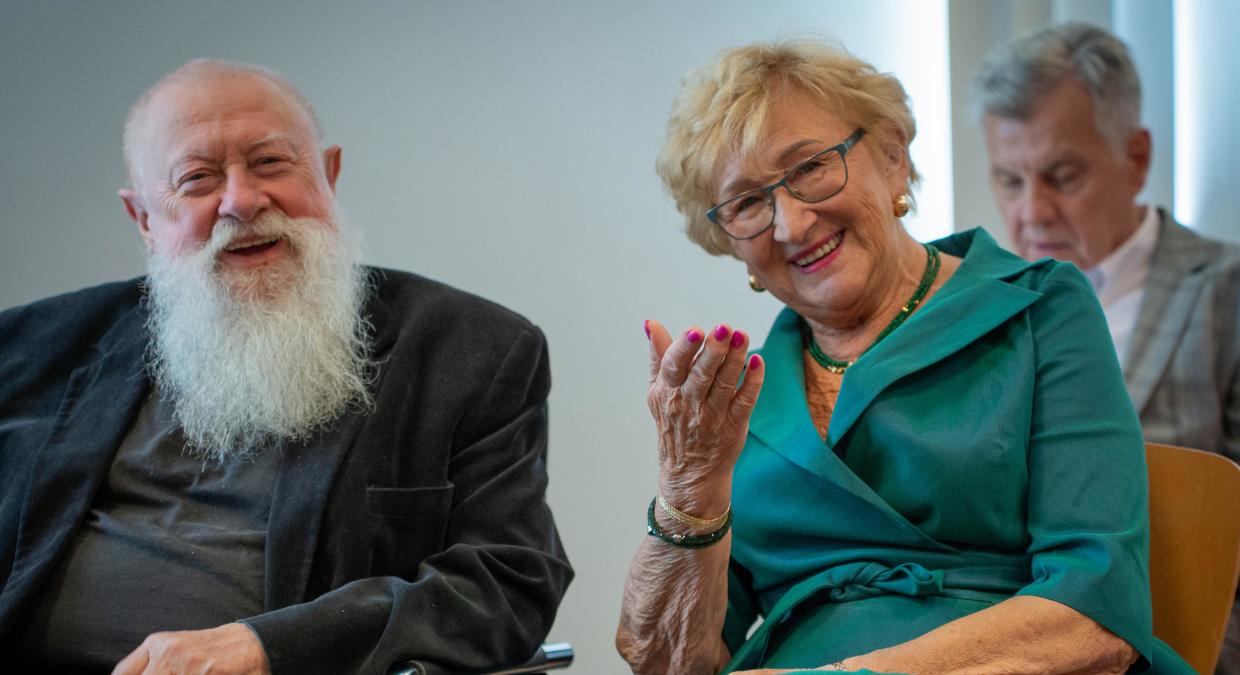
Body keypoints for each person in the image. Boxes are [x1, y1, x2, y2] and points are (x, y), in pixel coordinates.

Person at [615, 36, 1194, 675]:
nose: (791, 224)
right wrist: (687, 484)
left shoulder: (1037, 307)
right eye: (748, 202)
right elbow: (665, 662)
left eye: (809, 168)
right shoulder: (732, 402)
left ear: (894, 155)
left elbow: (1094, 612)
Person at [0, 59, 572, 675]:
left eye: (270, 162)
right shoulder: (29, 348)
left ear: (329, 173)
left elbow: (506, 584)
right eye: (197, 179)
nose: (242, 202)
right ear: (143, 218)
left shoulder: (470, 350)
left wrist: (268, 647)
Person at [973, 23, 1240, 673]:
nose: (1032, 212)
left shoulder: (1225, 291)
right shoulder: (982, 310)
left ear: (1136, 158)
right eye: (1009, 180)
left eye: (1062, 176)